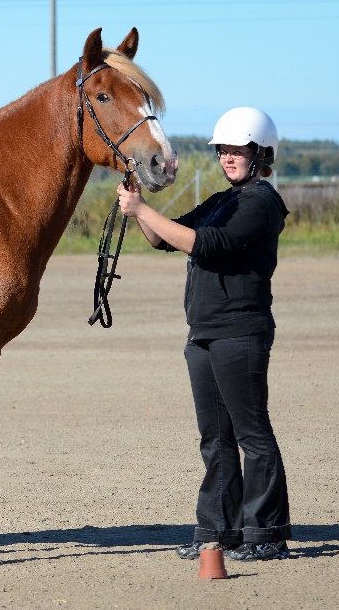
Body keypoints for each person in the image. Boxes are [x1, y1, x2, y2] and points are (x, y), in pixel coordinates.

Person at [117, 107, 292, 562]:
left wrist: (141, 210)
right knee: (214, 438)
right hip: (204, 334)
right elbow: (162, 239)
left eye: (238, 149)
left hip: (241, 332)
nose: (228, 157)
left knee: (252, 435)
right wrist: (138, 206)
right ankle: (217, 531)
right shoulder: (220, 200)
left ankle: (265, 533)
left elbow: (205, 244)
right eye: (224, 149)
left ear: (261, 153)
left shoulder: (260, 201)